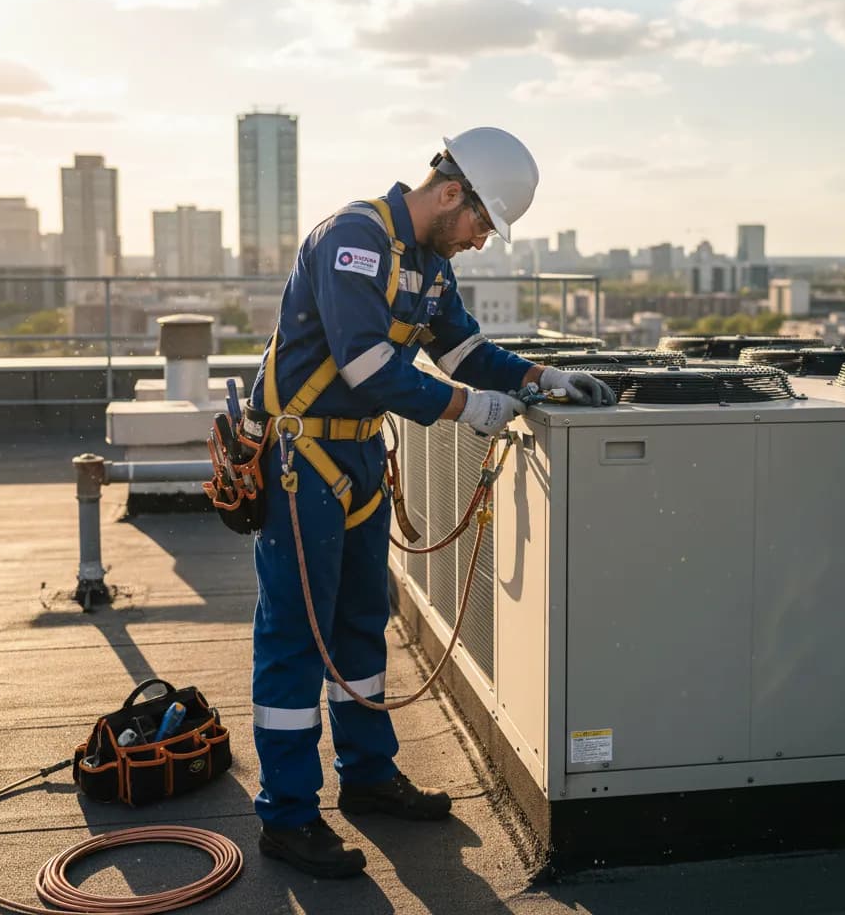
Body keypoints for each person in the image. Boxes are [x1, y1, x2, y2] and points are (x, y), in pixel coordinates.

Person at [247, 126, 616, 878]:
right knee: (296, 636)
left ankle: (367, 775)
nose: (480, 241)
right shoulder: (353, 239)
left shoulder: (428, 263)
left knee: (360, 621)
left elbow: (463, 351)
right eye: (482, 224)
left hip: (355, 457)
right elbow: (367, 366)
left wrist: (540, 378)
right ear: (452, 193)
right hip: (301, 459)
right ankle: (287, 816)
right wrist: (470, 409)